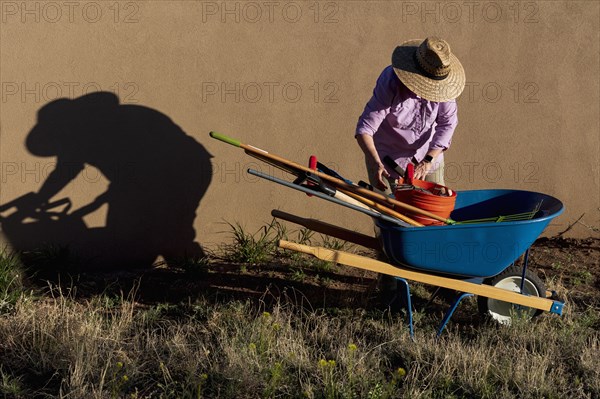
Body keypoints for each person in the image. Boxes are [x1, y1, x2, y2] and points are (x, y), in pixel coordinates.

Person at [354, 36, 466, 303]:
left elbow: (447, 126)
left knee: (434, 220)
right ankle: (390, 288)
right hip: (385, 158)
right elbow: (365, 129)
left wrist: (428, 159)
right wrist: (376, 162)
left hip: (427, 162)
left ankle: (437, 280)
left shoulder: (445, 90)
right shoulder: (391, 81)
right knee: (389, 224)